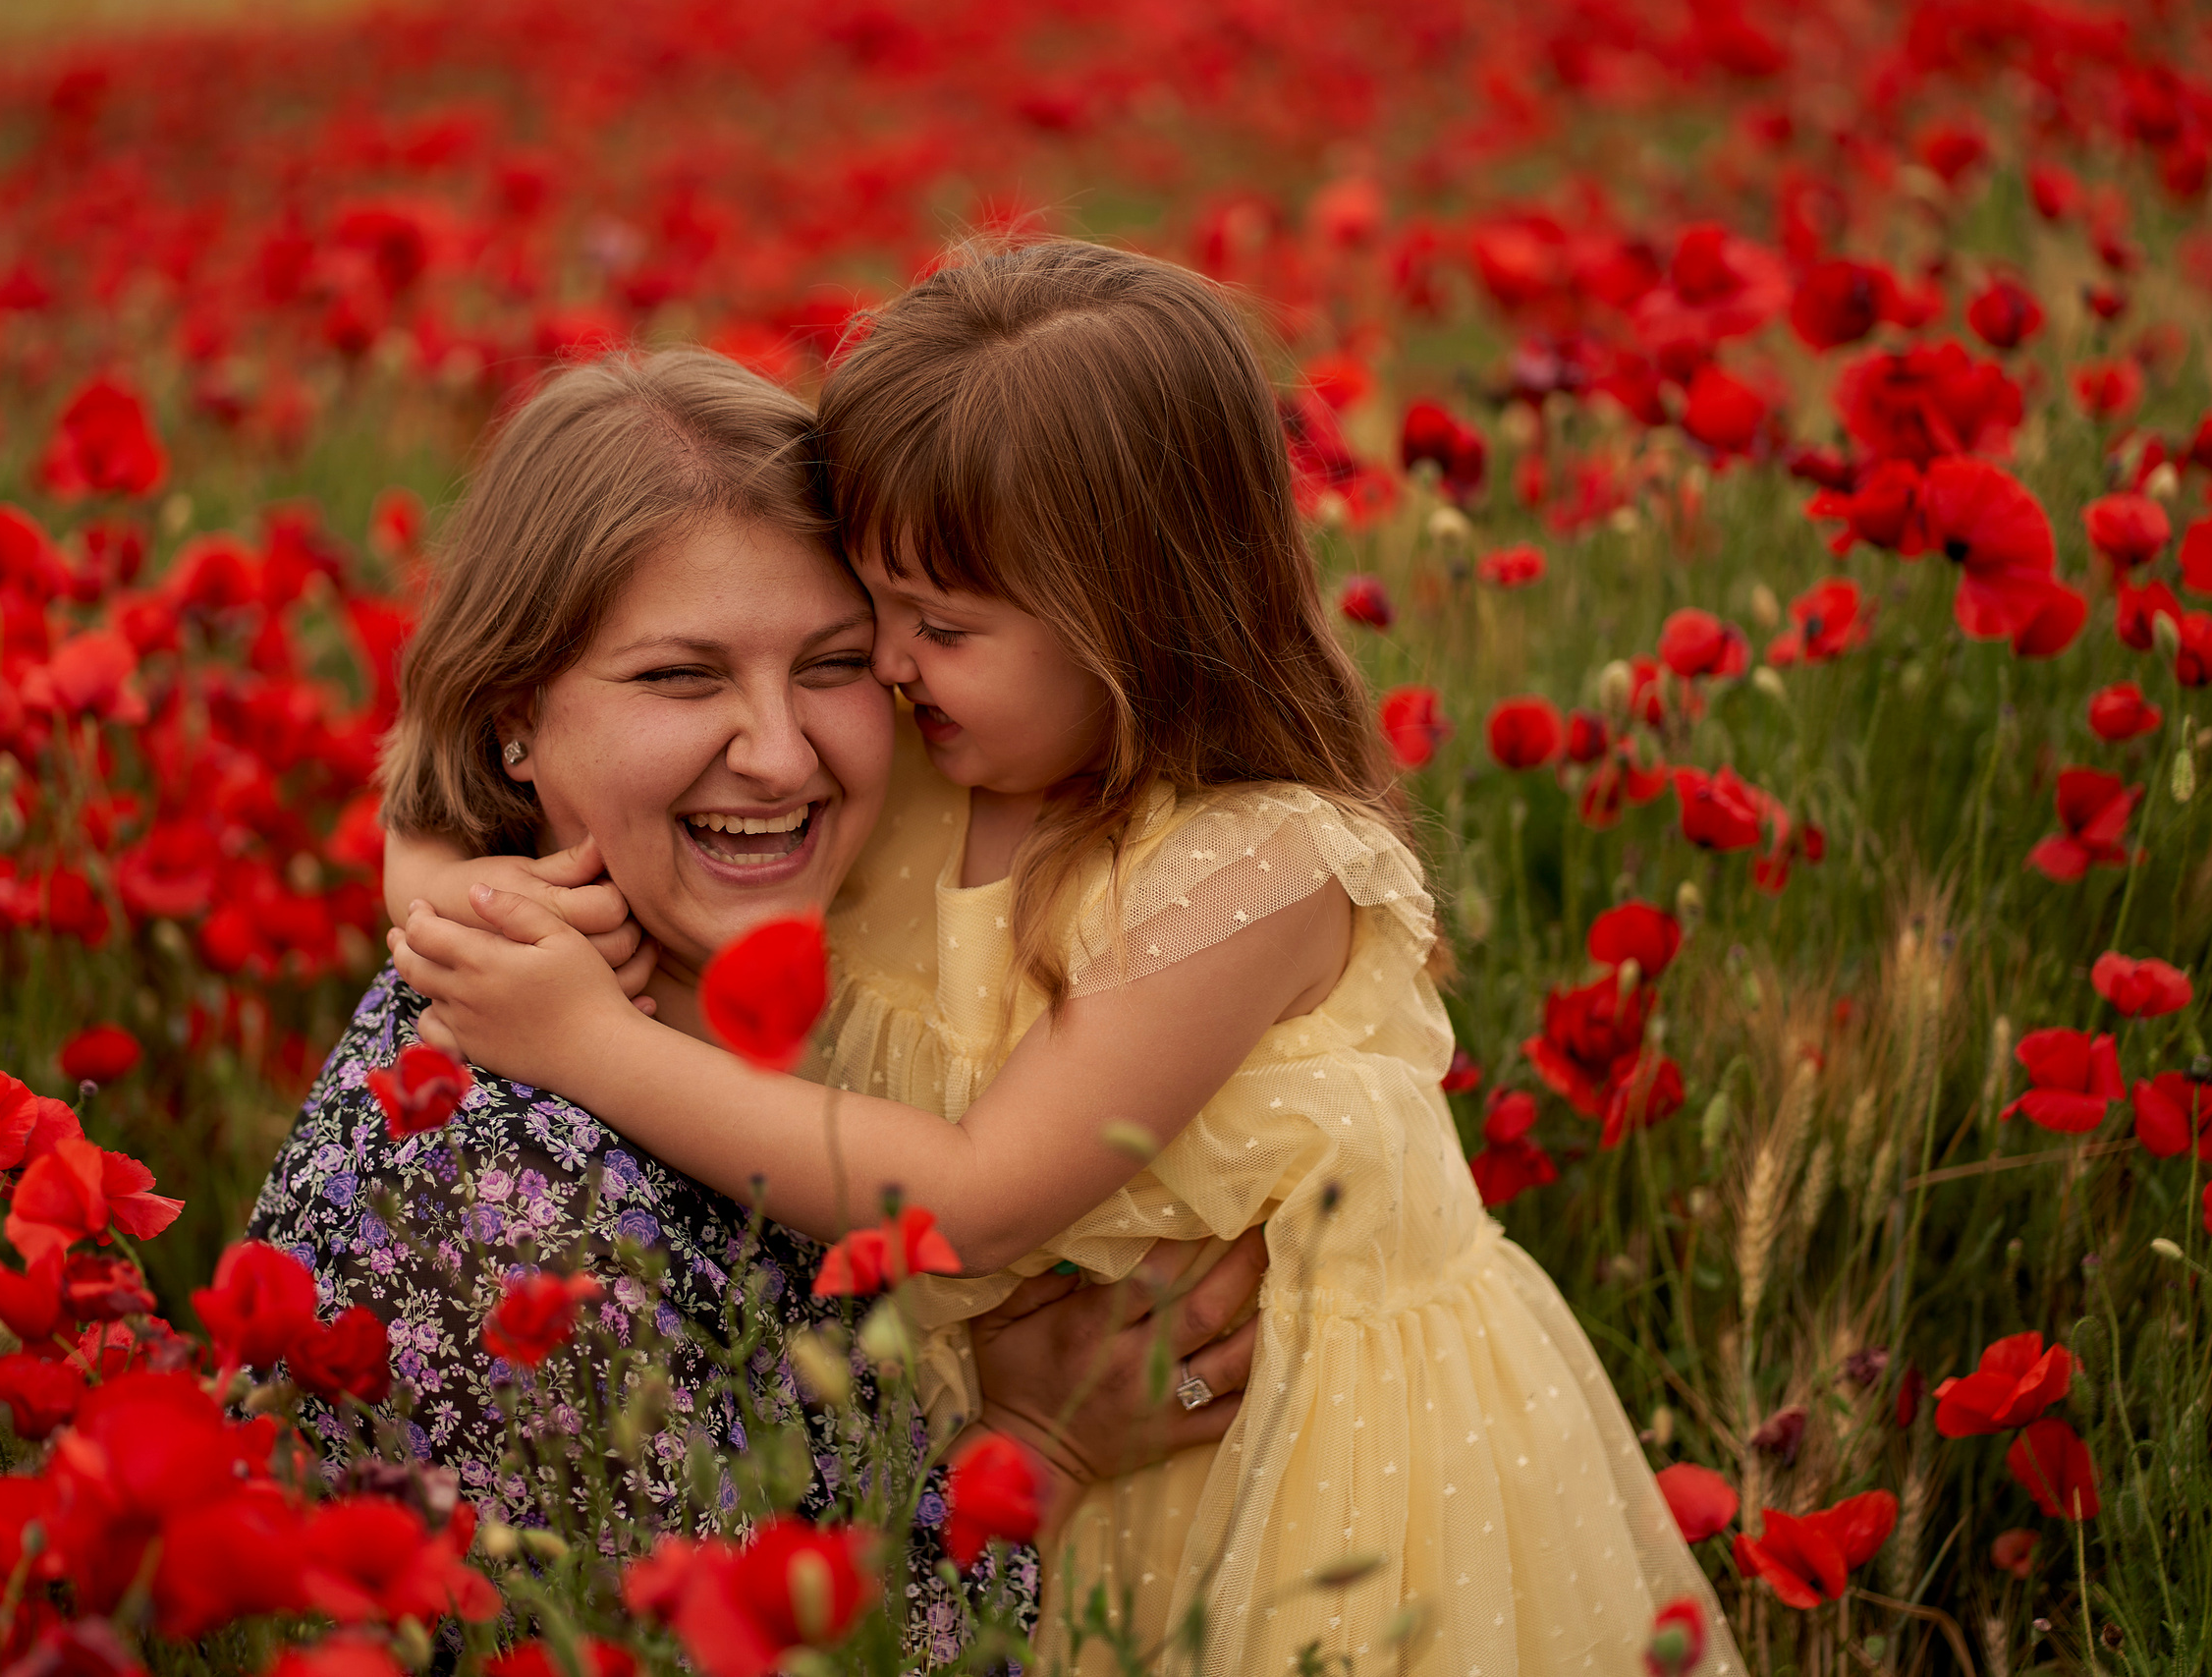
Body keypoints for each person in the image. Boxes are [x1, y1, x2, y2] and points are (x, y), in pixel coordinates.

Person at [389, 242, 1747, 1677]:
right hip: (1057, 1466)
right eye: (876, 619)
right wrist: (466, 900)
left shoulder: (1249, 871)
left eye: (938, 628)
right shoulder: (941, 765)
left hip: (1286, 1476)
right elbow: (454, 773)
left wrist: (586, 1044)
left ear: (1128, 620)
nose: (889, 669)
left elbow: (971, 1199)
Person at [249, 347, 1263, 1661]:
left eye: (836, 664)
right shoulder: (522, 1223)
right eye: (681, 678)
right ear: (514, 714)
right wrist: (1044, 1453)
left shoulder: (704, 952)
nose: (781, 752)